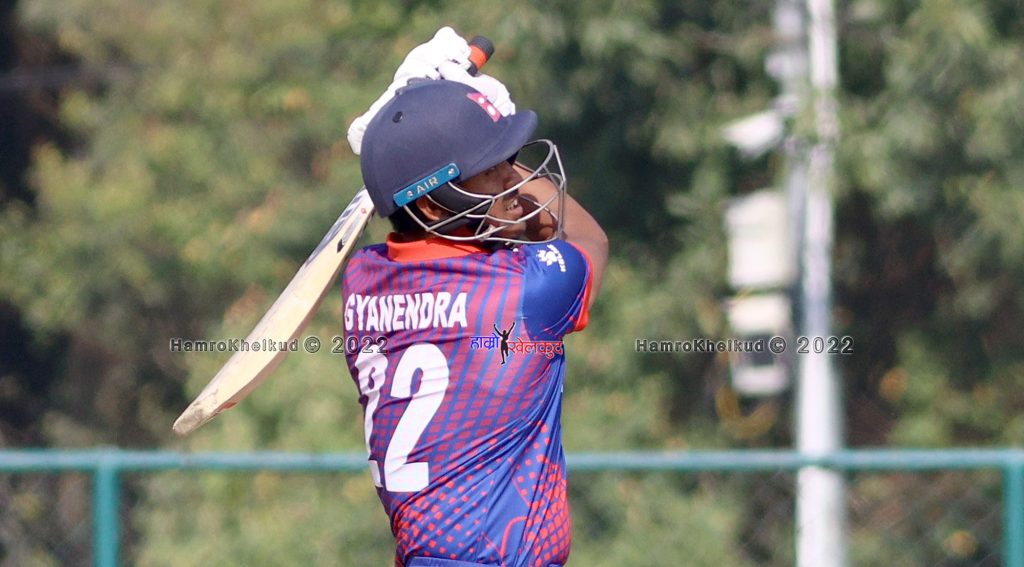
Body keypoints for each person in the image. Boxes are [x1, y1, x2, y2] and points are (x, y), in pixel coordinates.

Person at [340, 27, 608, 567]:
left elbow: (424, 218)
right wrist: (427, 117)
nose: (511, 178)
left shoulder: (363, 278)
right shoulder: (526, 289)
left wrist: (417, 131)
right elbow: (587, 239)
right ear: (433, 206)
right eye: (492, 168)